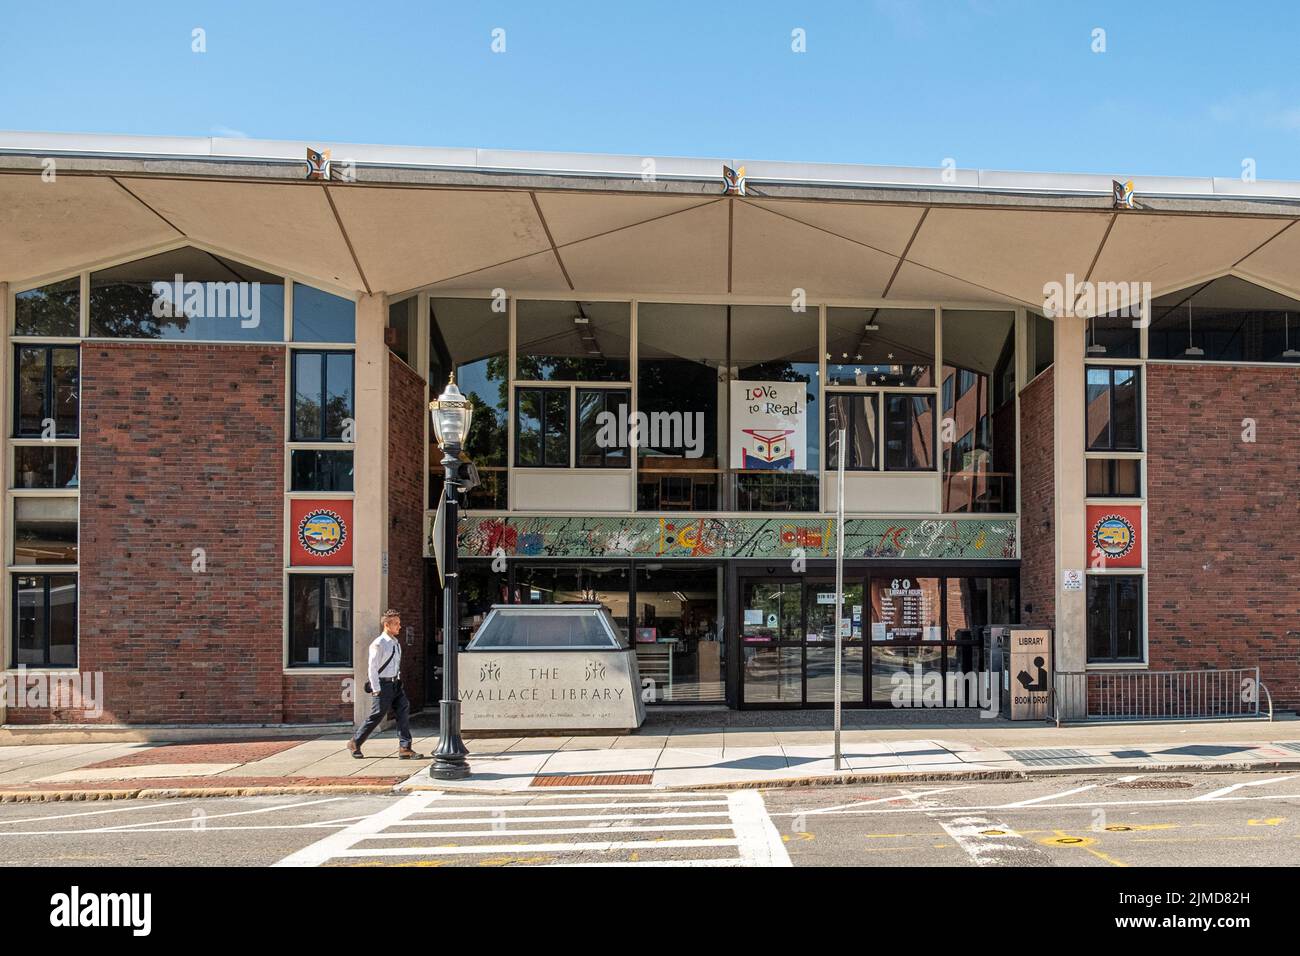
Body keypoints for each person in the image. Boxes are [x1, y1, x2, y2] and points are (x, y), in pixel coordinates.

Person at [348, 609, 424, 759]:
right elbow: (372, 668)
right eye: (396, 624)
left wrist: (398, 679)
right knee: (377, 715)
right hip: (383, 685)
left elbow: (395, 665)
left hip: (395, 684)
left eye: (399, 623)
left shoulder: (395, 643)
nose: (399, 626)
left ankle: (405, 747)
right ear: (387, 625)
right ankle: (355, 742)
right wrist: (376, 689)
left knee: (403, 709)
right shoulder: (379, 643)